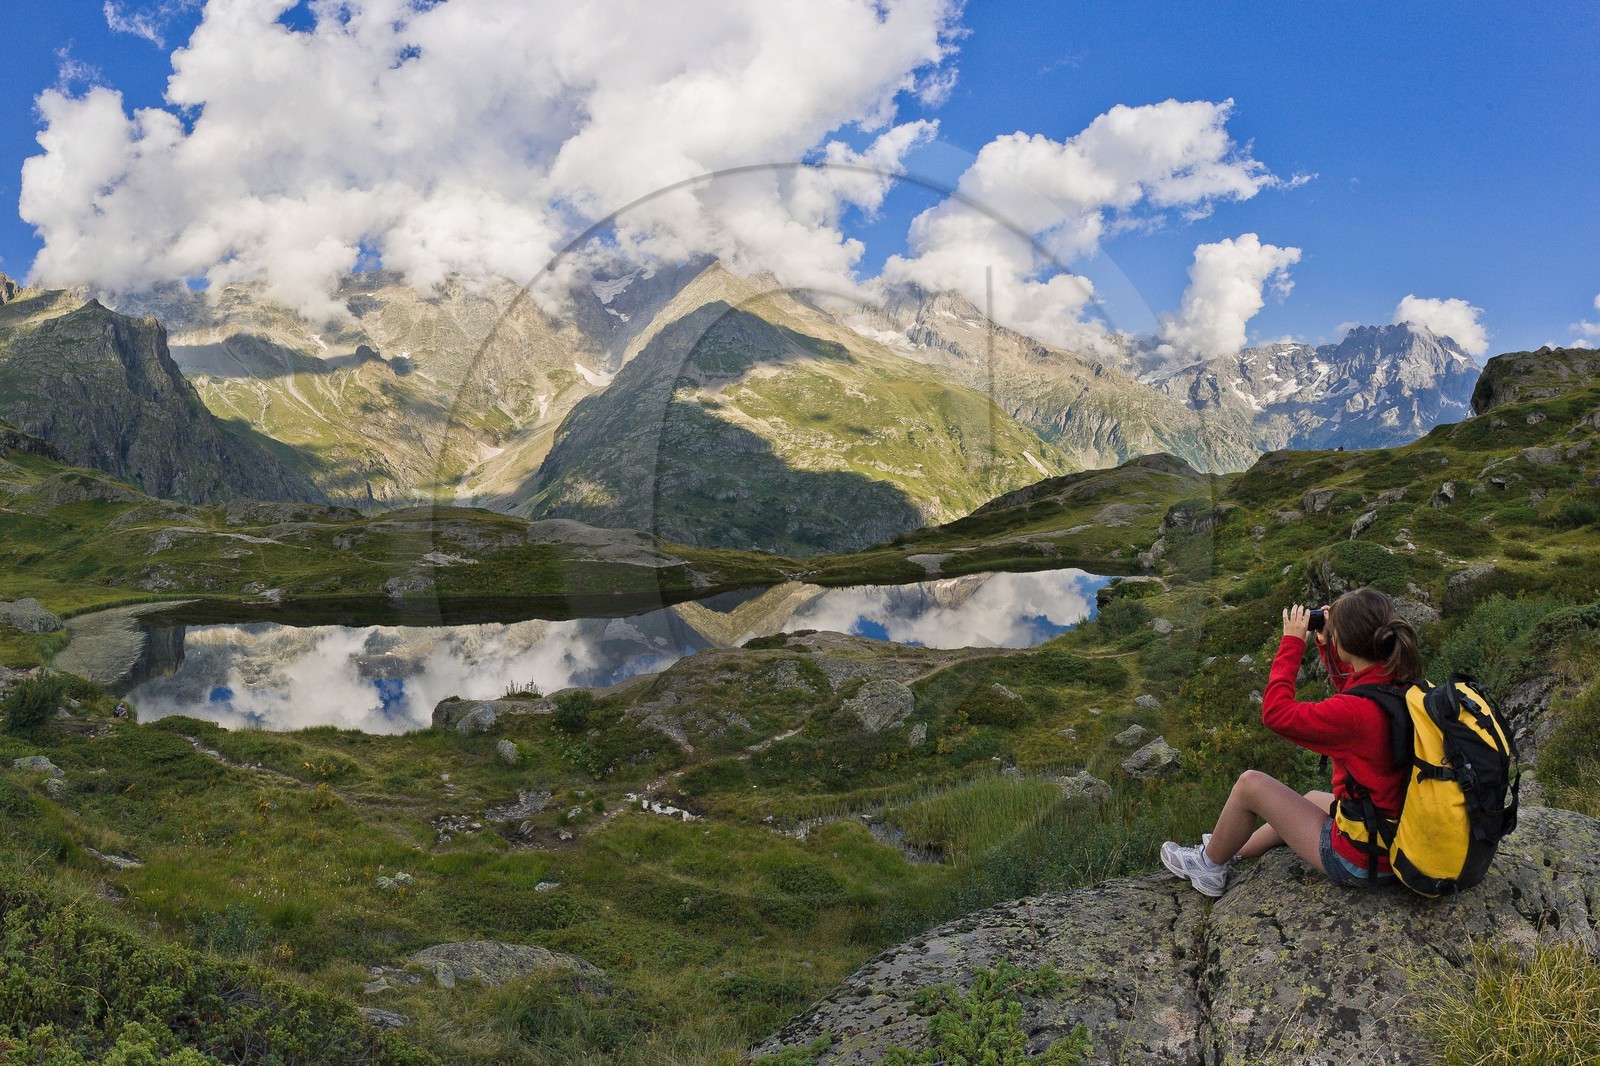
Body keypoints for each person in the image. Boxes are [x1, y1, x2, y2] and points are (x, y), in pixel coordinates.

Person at [1160, 587, 1422, 896]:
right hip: (1395, 835)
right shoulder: (1401, 682)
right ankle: (1228, 850)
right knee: (1311, 798)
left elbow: (1275, 714)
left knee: (1250, 785)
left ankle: (1207, 866)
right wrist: (1330, 651)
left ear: (1347, 641)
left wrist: (1292, 644)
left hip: (1361, 861)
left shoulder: (1355, 713)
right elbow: (1357, 697)